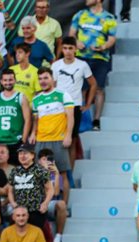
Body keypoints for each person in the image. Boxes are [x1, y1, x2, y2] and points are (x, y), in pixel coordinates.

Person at [68, 0, 117, 131]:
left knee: (99, 88)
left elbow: (112, 38)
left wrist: (104, 46)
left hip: (100, 58)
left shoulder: (109, 18)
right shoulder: (80, 14)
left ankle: (96, 120)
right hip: (81, 58)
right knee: (81, 89)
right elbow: (71, 34)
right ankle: (82, 119)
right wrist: (77, 42)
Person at [29, 68, 74, 203]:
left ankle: (63, 204)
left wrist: (68, 135)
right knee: (40, 174)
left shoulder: (63, 95)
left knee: (63, 173)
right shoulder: (36, 100)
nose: (43, 81)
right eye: (40, 79)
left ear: (52, 79)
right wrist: (32, 133)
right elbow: (36, 120)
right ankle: (42, 202)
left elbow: (70, 117)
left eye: (45, 78)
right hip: (41, 140)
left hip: (58, 139)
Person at [52, 37, 97, 167]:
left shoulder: (82, 65)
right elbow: (53, 86)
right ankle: (58, 169)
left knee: (72, 139)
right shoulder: (56, 65)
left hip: (75, 106)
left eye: (70, 48)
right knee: (57, 138)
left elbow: (93, 84)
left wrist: (87, 104)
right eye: (65, 48)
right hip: (58, 107)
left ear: (76, 50)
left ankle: (70, 172)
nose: (68, 51)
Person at [0, 69, 30, 160]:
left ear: (15, 80)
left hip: (15, 141)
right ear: (1, 81)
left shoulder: (21, 96)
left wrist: (23, 140)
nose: (8, 82)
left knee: (14, 169)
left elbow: (28, 119)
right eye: (5, 80)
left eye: (10, 80)